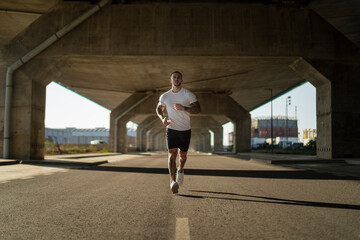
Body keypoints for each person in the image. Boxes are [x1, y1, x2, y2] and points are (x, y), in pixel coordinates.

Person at [156, 71, 201, 194]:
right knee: (172, 154)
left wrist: (184, 108)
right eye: (174, 78)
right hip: (171, 129)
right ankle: (172, 181)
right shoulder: (165, 96)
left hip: (185, 130)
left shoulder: (188, 94)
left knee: (183, 156)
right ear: (170, 80)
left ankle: (180, 170)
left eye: (178, 78)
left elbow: (198, 109)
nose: (176, 79)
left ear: (181, 80)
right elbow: (159, 109)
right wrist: (163, 118)